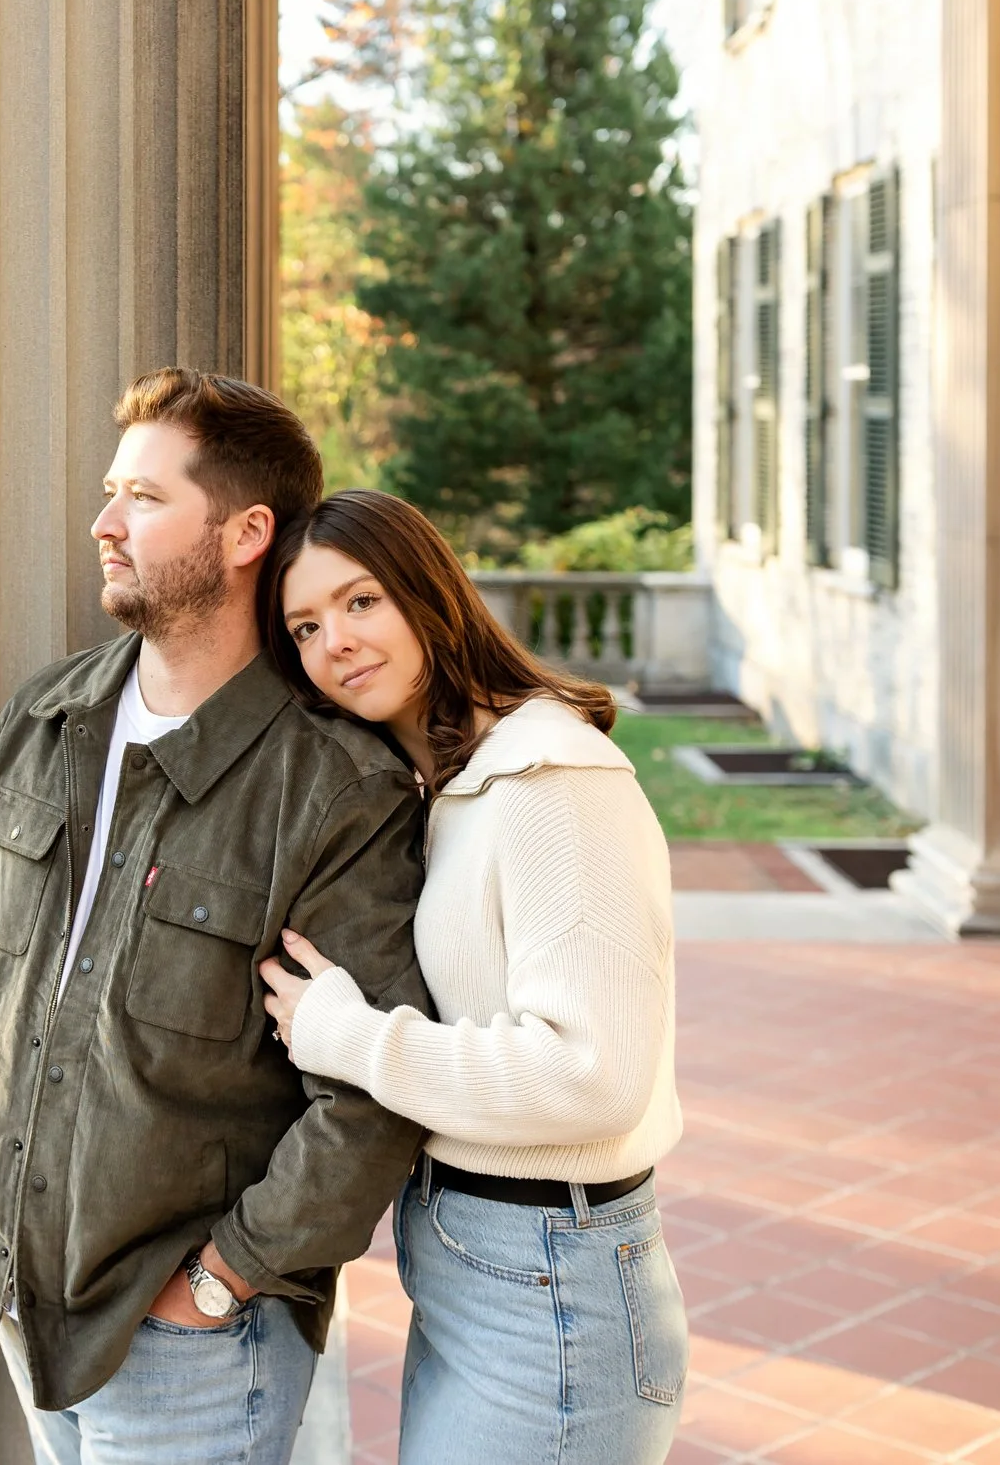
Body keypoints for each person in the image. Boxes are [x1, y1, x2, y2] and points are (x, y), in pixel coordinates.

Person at [0, 372, 433, 1465]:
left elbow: (373, 1088)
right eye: (113, 492)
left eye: (144, 497)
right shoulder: (47, 716)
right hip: (17, 1291)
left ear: (246, 531)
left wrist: (222, 1277)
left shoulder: (332, 787)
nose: (104, 523)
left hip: (193, 1343)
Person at [258, 488, 688, 1465]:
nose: (337, 640)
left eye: (361, 600)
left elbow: (591, 1071)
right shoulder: (460, 785)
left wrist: (349, 1036)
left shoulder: (551, 781)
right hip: (482, 1265)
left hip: (552, 1286)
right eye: (306, 626)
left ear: (427, 590)